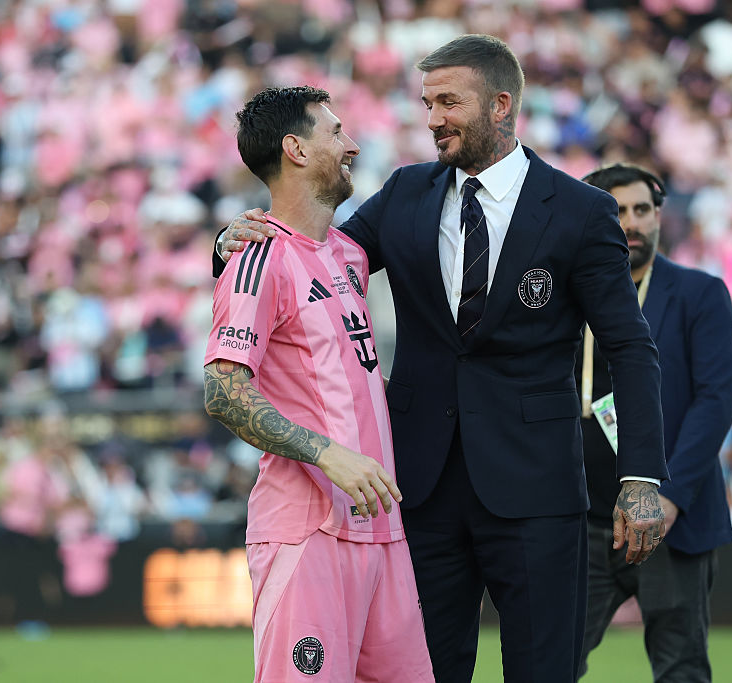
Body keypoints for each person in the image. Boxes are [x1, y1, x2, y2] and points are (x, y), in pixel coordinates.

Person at [216, 35, 668, 683]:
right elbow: (314, 256)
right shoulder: (407, 192)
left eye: (449, 102)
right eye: (428, 103)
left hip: (536, 489)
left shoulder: (580, 211)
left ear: (501, 105)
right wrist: (230, 244)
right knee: (425, 672)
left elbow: (629, 346)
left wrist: (641, 475)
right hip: (419, 490)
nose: (433, 118)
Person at [203, 86, 433, 682]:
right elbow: (222, 391)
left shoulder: (350, 255)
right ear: (296, 149)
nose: (351, 144)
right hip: (307, 532)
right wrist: (328, 453)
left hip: (382, 529)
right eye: (335, 132)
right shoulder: (257, 258)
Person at [577, 164, 732, 682]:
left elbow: (715, 402)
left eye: (642, 210)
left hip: (670, 520)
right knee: (545, 663)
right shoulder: (566, 296)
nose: (632, 222)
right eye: (618, 211)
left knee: (680, 669)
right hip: (580, 520)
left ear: (658, 216)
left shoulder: (699, 294)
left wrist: (667, 498)